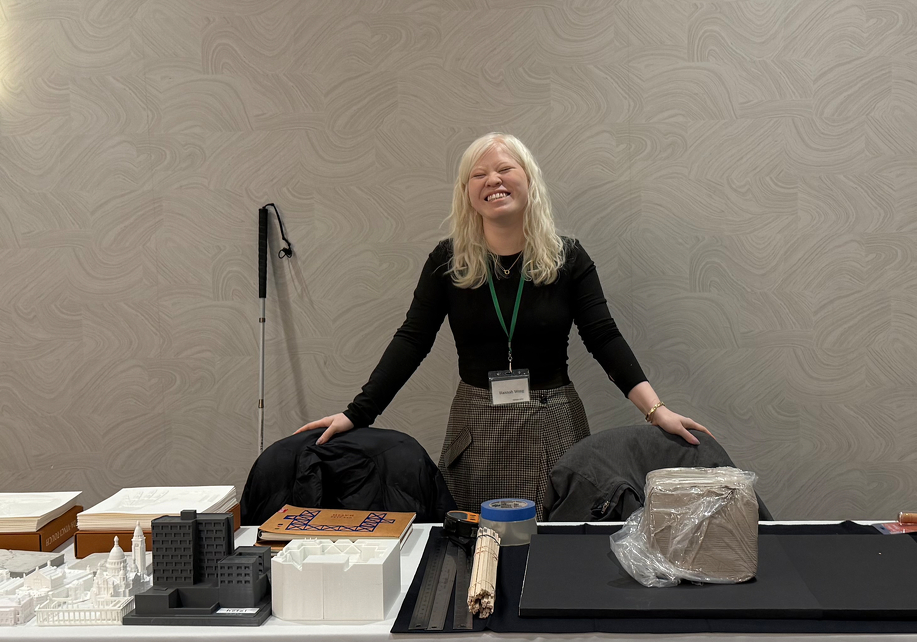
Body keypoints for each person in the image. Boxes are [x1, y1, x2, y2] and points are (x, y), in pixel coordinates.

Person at [296, 132, 710, 515]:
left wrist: (656, 411)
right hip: (476, 429)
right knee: (475, 548)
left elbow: (603, 337)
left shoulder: (569, 258)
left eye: (505, 168)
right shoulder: (449, 260)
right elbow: (412, 339)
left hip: (554, 424)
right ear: (467, 193)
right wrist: (357, 414)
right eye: (478, 174)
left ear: (529, 180)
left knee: (554, 544)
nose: (492, 179)